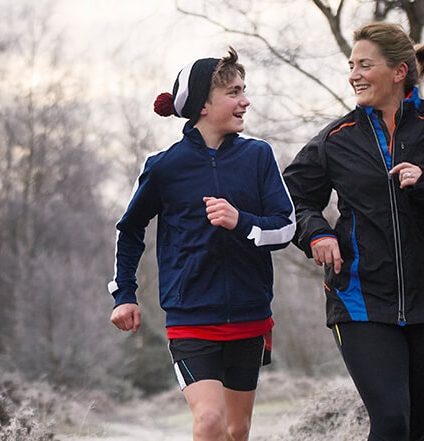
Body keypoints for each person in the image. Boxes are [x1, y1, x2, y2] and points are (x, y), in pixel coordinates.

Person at [282, 23, 424, 441]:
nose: (354, 75)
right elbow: (289, 198)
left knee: (414, 430)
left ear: (399, 71)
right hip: (359, 300)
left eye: (365, 65)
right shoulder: (337, 139)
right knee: (391, 421)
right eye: (351, 65)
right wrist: (316, 233)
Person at [108, 47, 295, 441]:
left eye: (244, 90)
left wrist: (241, 221)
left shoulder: (258, 156)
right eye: (233, 92)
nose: (245, 101)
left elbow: (286, 227)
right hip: (190, 318)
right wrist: (124, 294)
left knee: (236, 430)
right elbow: (130, 230)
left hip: (249, 314)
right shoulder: (165, 167)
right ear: (203, 106)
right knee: (209, 421)